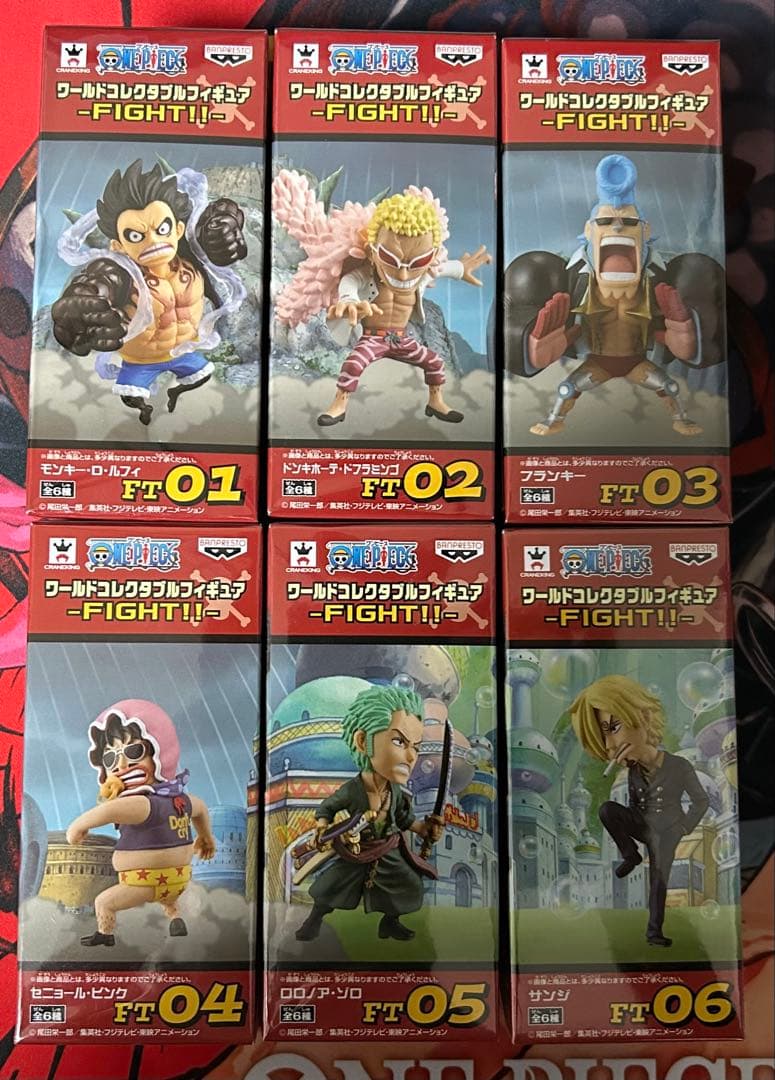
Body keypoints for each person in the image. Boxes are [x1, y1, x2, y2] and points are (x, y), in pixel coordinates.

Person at [51, 160, 246, 425]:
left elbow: (215, 225)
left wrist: (221, 230)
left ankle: (175, 392)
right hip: (140, 360)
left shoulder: (192, 257)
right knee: (131, 396)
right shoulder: (123, 275)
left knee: (202, 375)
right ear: (118, 246)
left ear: (178, 229)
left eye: (162, 229)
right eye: (136, 235)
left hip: (182, 352)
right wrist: (84, 308)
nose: (153, 241)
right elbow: (95, 287)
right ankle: (145, 411)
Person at [295, 684, 443, 943]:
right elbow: (327, 807)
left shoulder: (395, 791)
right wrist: (322, 827)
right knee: (331, 886)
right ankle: (314, 920)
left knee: (408, 884)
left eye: (416, 747)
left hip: (388, 849)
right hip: (356, 849)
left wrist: (424, 829)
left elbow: (404, 819)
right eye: (399, 742)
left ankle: (390, 922)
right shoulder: (353, 790)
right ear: (363, 742)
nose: (411, 756)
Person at [571, 675, 709, 947]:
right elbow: (633, 805)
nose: (609, 745)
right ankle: (630, 855)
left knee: (658, 879)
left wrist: (683, 827)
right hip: (644, 824)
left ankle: (654, 932)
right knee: (607, 810)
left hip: (667, 831)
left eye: (614, 727)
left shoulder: (679, 766)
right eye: (603, 734)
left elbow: (700, 801)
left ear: (643, 717)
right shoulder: (632, 772)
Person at [66, 699, 216, 946]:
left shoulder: (143, 803)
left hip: (142, 882)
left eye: (134, 752)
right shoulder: (182, 798)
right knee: (168, 899)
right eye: (111, 758)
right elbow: (200, 809)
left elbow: (109, 811)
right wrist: (205, 837)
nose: (122, 765)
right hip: (178, 880)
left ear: (161, 754)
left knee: (103, 902)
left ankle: (105, 935)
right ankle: (175, 917)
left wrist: (78, 827)